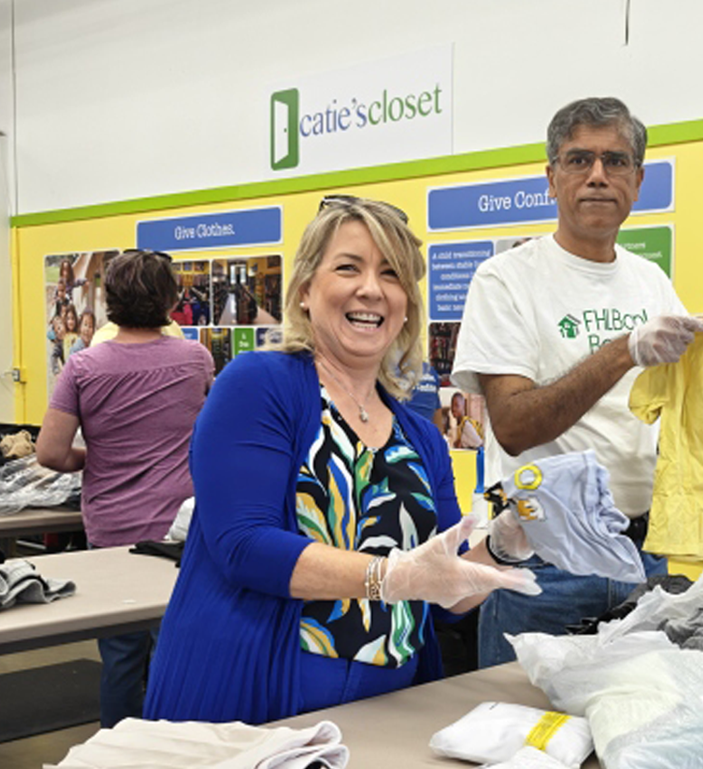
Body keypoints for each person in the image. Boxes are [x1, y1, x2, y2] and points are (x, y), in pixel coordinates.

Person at [144, 196, 539, 725]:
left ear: (406, 304)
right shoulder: (259, 385)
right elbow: (244, 545)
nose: (371, 289)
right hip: (254, 706)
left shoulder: (421, 436)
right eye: (349, 267)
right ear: (306, 290)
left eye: (391, 274)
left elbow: (450, 596)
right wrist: (391, 577)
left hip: (387, 714)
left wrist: (505, 545)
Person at [452, 96, 703, 668]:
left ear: (638, 181)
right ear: (551, 178)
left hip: (642, 555)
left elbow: (686, 404)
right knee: (521, 718)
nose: (598, 175)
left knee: (635, 713)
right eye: (579, 160)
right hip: (543, 560)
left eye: (615, 161)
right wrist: (622, 351)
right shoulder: (505, 280)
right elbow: (515, 425)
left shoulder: (649, 280)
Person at [36, 250, 215, 727]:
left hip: (112, 526)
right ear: (170, 301)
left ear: (110, 301)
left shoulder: (82, 366)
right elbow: (212, 436)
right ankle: (174, 750)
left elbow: (49, 453)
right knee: (175, 651)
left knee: (119, 657)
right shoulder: (196, 359)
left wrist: (99, 457)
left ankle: (116, 751)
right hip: (179, 530)